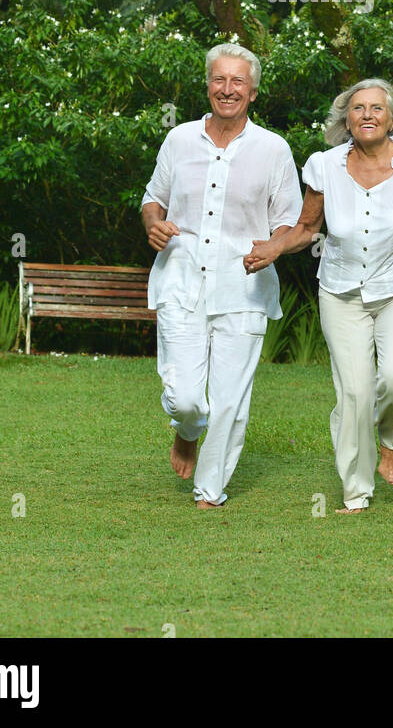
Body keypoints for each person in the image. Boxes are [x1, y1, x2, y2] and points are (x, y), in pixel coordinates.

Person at [244, 78, 393, 513]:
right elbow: (306, 229)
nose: (368, 115)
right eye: (358, 108)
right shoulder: (324, 166)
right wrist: (273, 248)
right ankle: (356, 493)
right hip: (340, 291)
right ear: (346, 119)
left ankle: (390, 437)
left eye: (377, 108)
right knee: (354, 393)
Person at [141, 43, 302, 510]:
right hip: (181, 279)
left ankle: (210, 491)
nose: (227, 90)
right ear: (207, 85)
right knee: (187, 398)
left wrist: (274, 246)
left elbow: (289, 222)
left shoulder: (274, 149)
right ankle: (187, 430)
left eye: (238, 82)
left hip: (243, 288)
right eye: (219, 80)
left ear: (252, 92)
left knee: (230, 398)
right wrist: (153, 223)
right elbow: (153, 198)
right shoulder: (179, 140)